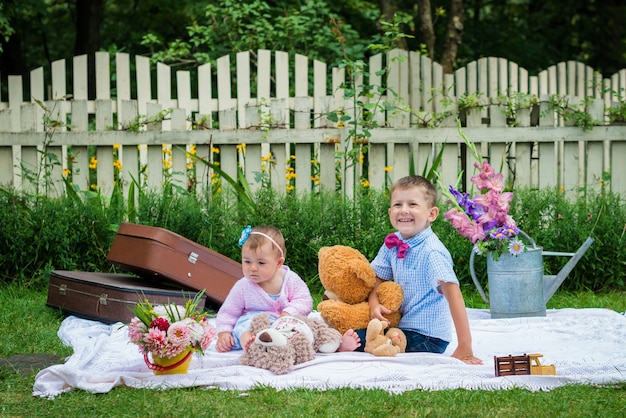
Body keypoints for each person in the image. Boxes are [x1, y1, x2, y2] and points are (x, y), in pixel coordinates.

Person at [358, 175, 483, 365]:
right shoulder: (393, 242)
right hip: (402, 326)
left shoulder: (432, 252)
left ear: (431, 214)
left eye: (413, 204)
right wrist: (374, 304)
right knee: (350, 332)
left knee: (359, 339)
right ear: (390, 211)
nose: (404, 210)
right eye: (398, 204)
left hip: (428, 337)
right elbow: (378, 278)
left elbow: (453, 294)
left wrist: (465, 346)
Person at [215, 225, 360, 352]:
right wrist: (224, 333)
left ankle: (335, 344)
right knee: (245, 325)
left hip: (287, 323)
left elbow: (304, 301)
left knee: (315, 323)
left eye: (261, 263)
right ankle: (251, 344)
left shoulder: (289, 279)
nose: (252, 268)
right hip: (259, 325)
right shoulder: (243, 286)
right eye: (247, 261)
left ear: (278, 263)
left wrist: (287, 313)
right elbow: (228, 312)